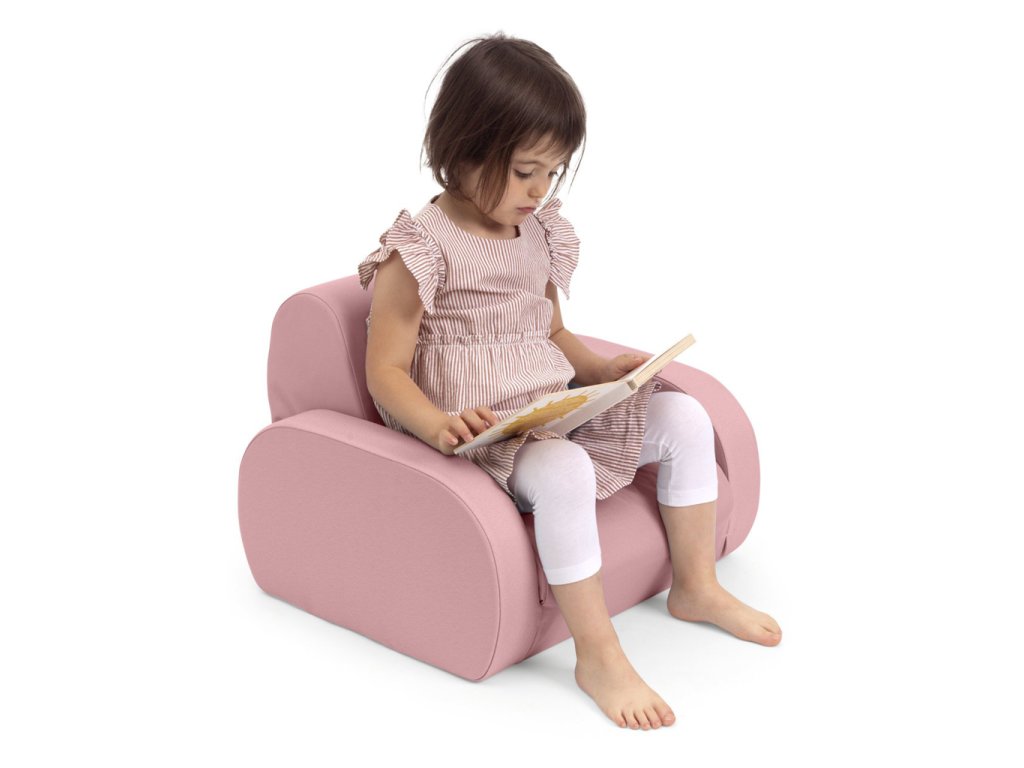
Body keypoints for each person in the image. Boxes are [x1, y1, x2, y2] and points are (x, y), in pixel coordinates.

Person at [358, 32, 782, 731]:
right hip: (488, 435)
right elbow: (385, 371)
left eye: (552, 173)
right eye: (525, 171)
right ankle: (598, 654)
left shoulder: (538, 233)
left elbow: (550, 331)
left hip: (552, 408)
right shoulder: (421, 248)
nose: (539, 190)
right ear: (463, 151)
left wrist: (599, 372)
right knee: (562, 471)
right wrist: (437, 426)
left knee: (684, 418)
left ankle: (697, 585)